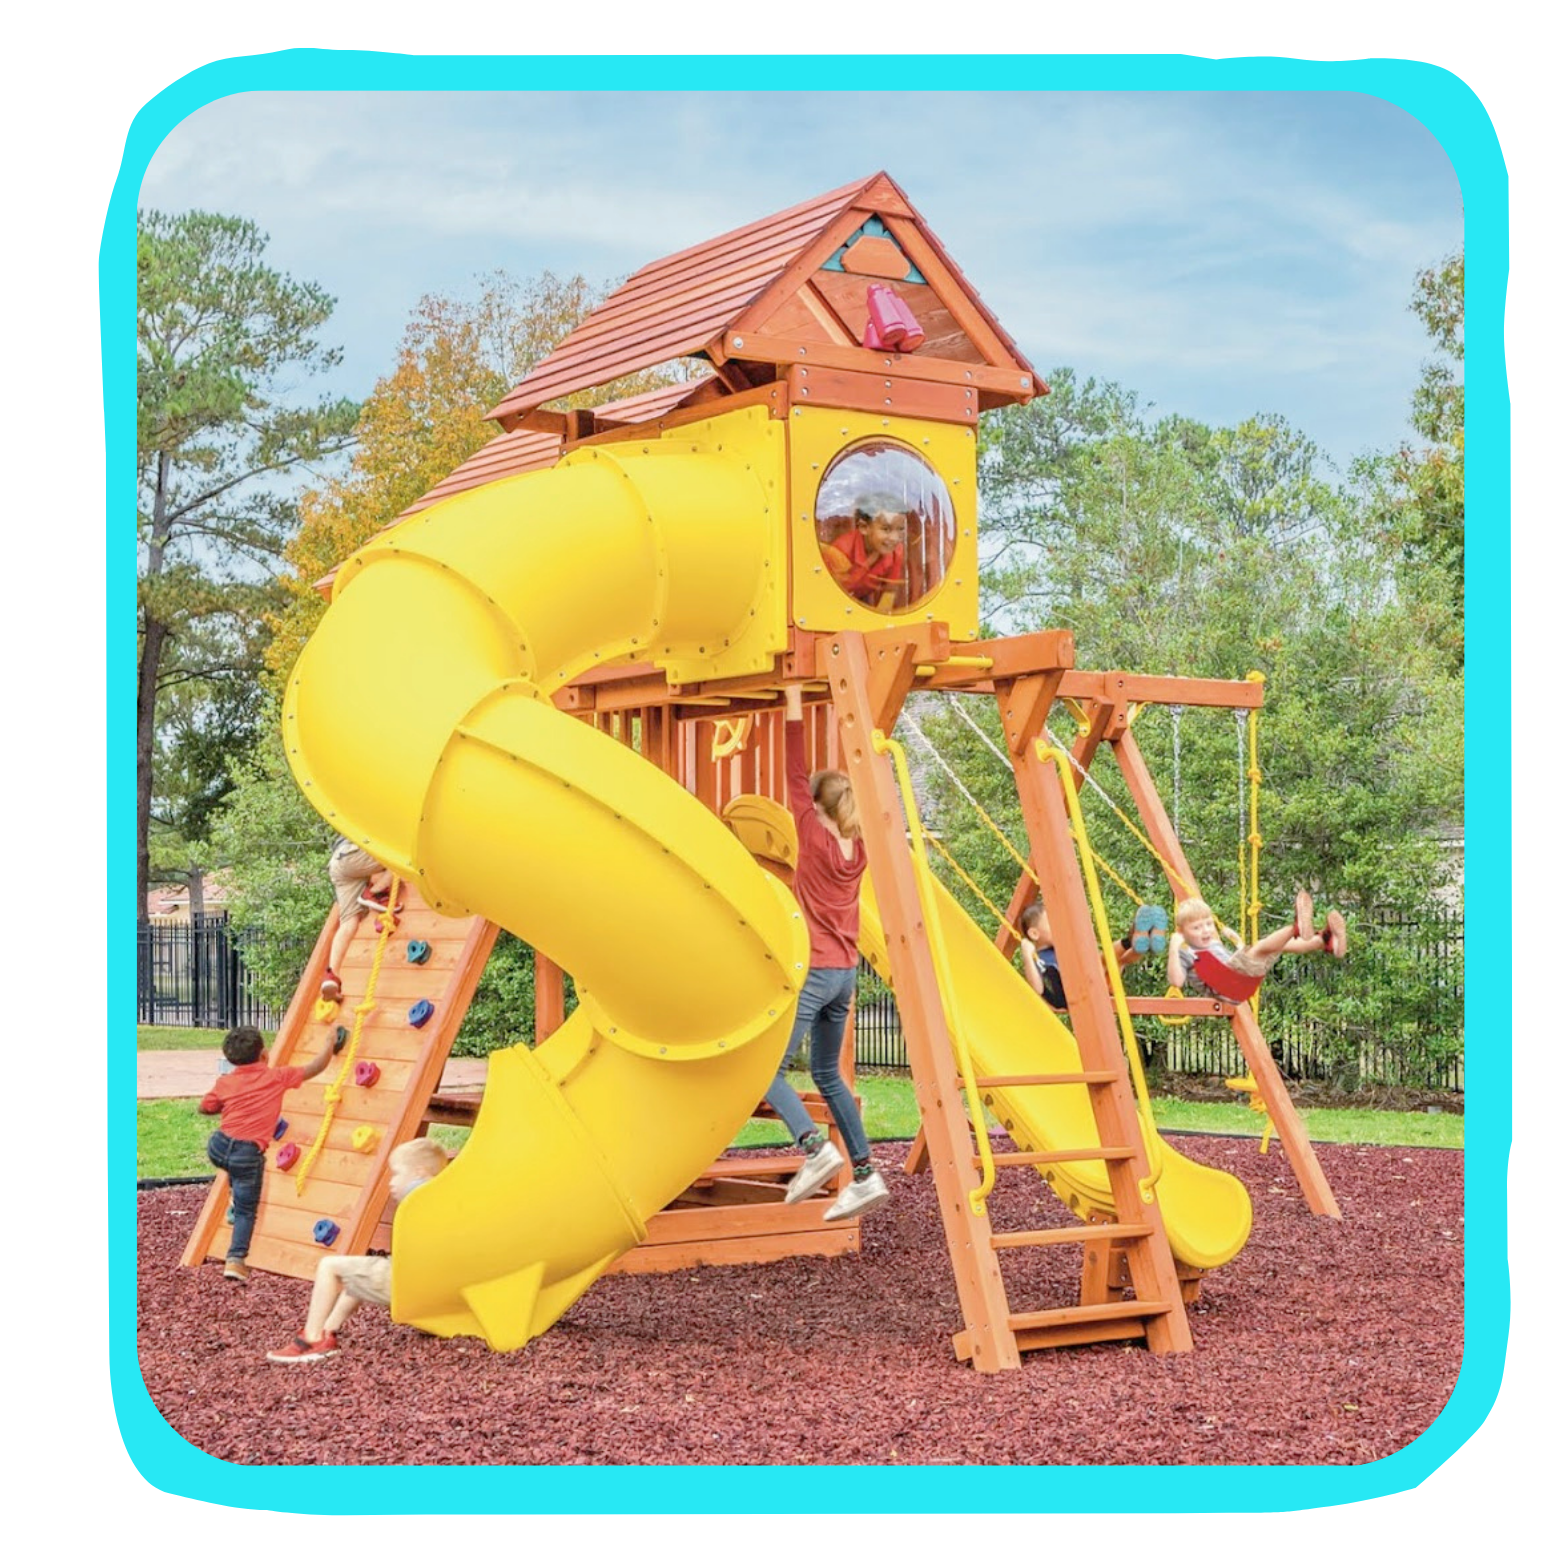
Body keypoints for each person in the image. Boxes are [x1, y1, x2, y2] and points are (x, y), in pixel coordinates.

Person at [762, 683, 890, 1223]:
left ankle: (814, 1149)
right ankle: (864, 1174)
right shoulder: (858, 847)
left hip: (815, 971)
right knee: (827, 1074)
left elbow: (794, 768)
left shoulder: (811, 834)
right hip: (844, 977)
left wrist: (793, 702)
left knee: (765, 1072)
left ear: (815, 807)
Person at [265, 1137, 451, 1363]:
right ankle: (328, 1332)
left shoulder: (419, 1197)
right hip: (435, 1284)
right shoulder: (443, 1197)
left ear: (420, 1172)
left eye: (398, 1173)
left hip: (409, 1282)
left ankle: (311, 1338)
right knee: (358, 1276)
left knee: (330, 1266)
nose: (392, 1182)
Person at [199, 1024, 338, 1283]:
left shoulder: (225, 1082)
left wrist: (229, 1102)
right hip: (247, 1154)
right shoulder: (278, 1077)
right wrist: (330, 1042)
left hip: (218, 1147)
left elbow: (205, 1107)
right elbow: (316, 1066)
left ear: (230, 1059)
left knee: (235, 1174)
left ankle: (234, 1192)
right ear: (264, 1055)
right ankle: (236, 1260)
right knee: (245, 1210)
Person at [1167, 890, 1347, 999]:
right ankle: (1297, 928)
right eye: (1197, 928)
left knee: (1275, 946)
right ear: (1182, 932)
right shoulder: (1186, 951)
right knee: (1261, 947)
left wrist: (1237, 942)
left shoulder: (1210, 945)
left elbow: (1231, 960)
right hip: (1225, 986)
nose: (1205, 930)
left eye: (1208, 924)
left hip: (1237, 981)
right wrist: (1174, 948)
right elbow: (1176, 981)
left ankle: (1325, 941)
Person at [1017, 901, 1167, 1013]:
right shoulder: (1039, 959)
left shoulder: (1059, 951)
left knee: (1117, 961)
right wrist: (1027, 955)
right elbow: (1037, 988)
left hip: (1093, 987)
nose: (1059, 927)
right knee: (1104, 961)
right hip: (1079, 997)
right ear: (1034, 934)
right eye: (1052, 924)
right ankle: (1132, 940)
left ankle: (1140, 942)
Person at [321, 835, 401, 1002]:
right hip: (354, 853)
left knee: (349, 922)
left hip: (338, 862)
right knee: (405, 857)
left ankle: (332, 976)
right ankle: (376, 892)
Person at [820, 505, 908, 610]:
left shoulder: (896, 551)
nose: (894, 538)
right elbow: (831, 595)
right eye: (886, 529)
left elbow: (889, 591)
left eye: (900, 529)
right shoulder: (840, 552)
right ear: (864, 528)